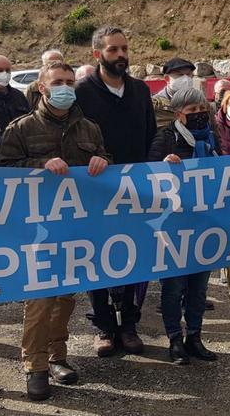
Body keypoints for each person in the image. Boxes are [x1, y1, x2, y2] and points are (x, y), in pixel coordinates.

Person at [0, 61, 110, 400]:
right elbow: (3, 170)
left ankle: (57, 357)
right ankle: (35, 367)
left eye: (70, 82)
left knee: (64, 298)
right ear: (43, 88)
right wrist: (39, 166)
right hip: (36, 230)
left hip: (75, 228)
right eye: (58, 82)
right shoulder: (20, 128)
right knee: (40, 300)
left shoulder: (89, 128)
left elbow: (105, 160)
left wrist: (103, 161)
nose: (65, 87)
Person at [75, 26, 156, 357]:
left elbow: (151, 135)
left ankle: (130, 324)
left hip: (136, 190)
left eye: (124, 48)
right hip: (95, 190)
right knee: (98, 258)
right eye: (113, 50)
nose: (121, 55)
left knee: (137, 259)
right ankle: (103, 325)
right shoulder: (82, 92)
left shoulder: (139, 90)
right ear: (97, 54)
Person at [148, 88, 218, 364]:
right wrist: (163, 165)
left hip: (204, 223)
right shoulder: (165, 138)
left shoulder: (211, 137)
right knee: (174, 287)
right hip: (172, 226)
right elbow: (147, 174)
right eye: (192, 111)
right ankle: (175, 339)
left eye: (202, 109)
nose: (200, 115)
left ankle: (195, 337)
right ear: (178, 114)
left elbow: (224, 169)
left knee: (199, 287)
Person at [153, 57, 197, 129]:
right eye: (180, 75)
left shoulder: (199, 103)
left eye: (188, 74)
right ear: (167, 78)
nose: (186, 79)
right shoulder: (156, 105)